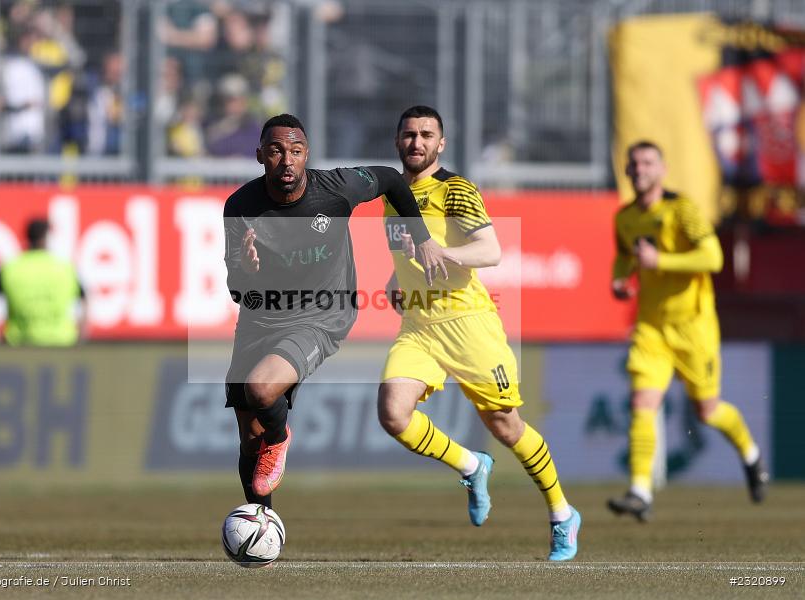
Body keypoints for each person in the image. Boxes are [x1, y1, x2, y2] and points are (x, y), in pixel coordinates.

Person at [377, 106, 581, 561]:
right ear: (397, 142)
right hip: (419, 325)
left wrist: (441, 253)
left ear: (441, 144)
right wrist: (397, 282)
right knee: (393, 414)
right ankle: (471, 464)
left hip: (469, 325)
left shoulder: (456, 189)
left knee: (507, 427)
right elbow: (410, 254)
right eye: (409, 134)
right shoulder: (391, 195)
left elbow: (490, 250)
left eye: (427, 134)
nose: (417, 142)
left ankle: (562, 514)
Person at [223, 113, 450, 508]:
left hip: (322, 314)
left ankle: (280, 439)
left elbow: (393, 180)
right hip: (261, 317)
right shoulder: (240, 206)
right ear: (260, 155)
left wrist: (422, 237)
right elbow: (237, 292)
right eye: (276, 151)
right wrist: (247, 269)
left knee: (260, 389)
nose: (287, 160)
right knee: (249, 436)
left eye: (295, 151)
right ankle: (262, 524)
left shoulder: (337, 188)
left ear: (307, 154)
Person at [607, 140, 769, 521]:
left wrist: (660, 259)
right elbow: (624, 255)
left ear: (662, 170)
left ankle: (751, 454)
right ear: (628, 171)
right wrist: (619, 279)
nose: (640, 168)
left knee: (708, 411)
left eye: (648, 162)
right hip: (652, 327)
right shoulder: (625, 217)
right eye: (634, 163)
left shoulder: (683, 209)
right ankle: (640, 490)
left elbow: (713, 257)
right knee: (642, 403)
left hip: (694, 327)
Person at [0, 218, 87, 346]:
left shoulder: (11, 268)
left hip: (20, 347)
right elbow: (85, 301)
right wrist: (81, 340)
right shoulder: (65, 269)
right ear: (47, 237)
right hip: (61, 345)